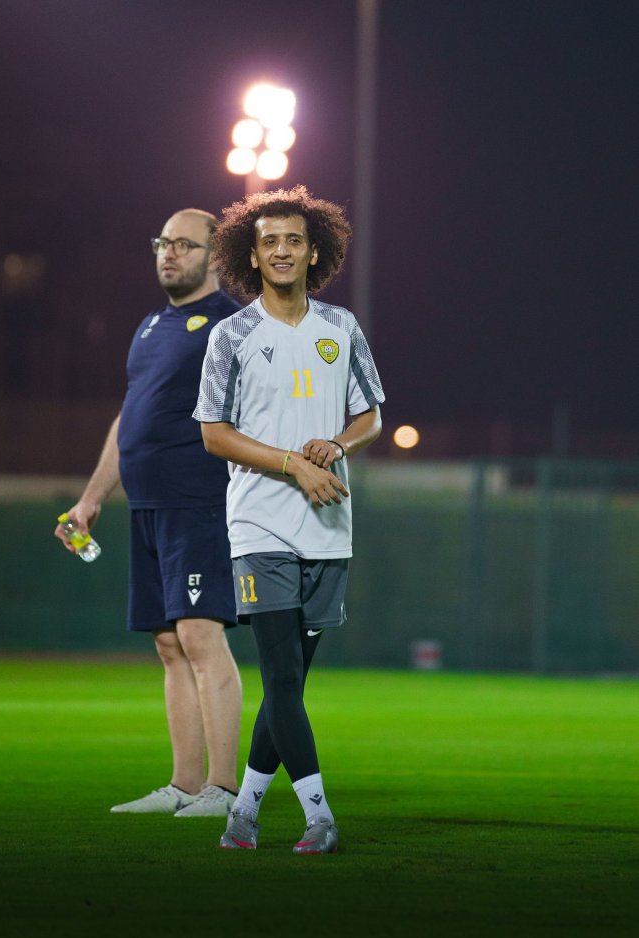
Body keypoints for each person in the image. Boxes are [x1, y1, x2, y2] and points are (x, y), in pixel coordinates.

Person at [193, 186, 385, 853]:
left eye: (294, 240)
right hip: (259, 525)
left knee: (289, 686)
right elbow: (214, 434)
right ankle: (319, 817)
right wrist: (291, 464)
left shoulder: (343, 329)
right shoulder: (232, 336)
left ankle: (243, 812)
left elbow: (371, 416)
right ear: (252, 252)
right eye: (270, 240)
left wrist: (337, 445)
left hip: (329, 526)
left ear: (314, 253)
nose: (281, 249)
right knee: (278, 677)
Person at [56, 209, 242, 818]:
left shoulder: (232, 326)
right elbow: (129, 419)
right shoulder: (149, 327)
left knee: (199, 633)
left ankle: (224, 790)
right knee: (168, 643)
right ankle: (185, 785)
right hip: (146, 507)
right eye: (163, 243)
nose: (169, 254)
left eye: (184, 245)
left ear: (216, 257)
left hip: (198, 502)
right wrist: (90, 500)